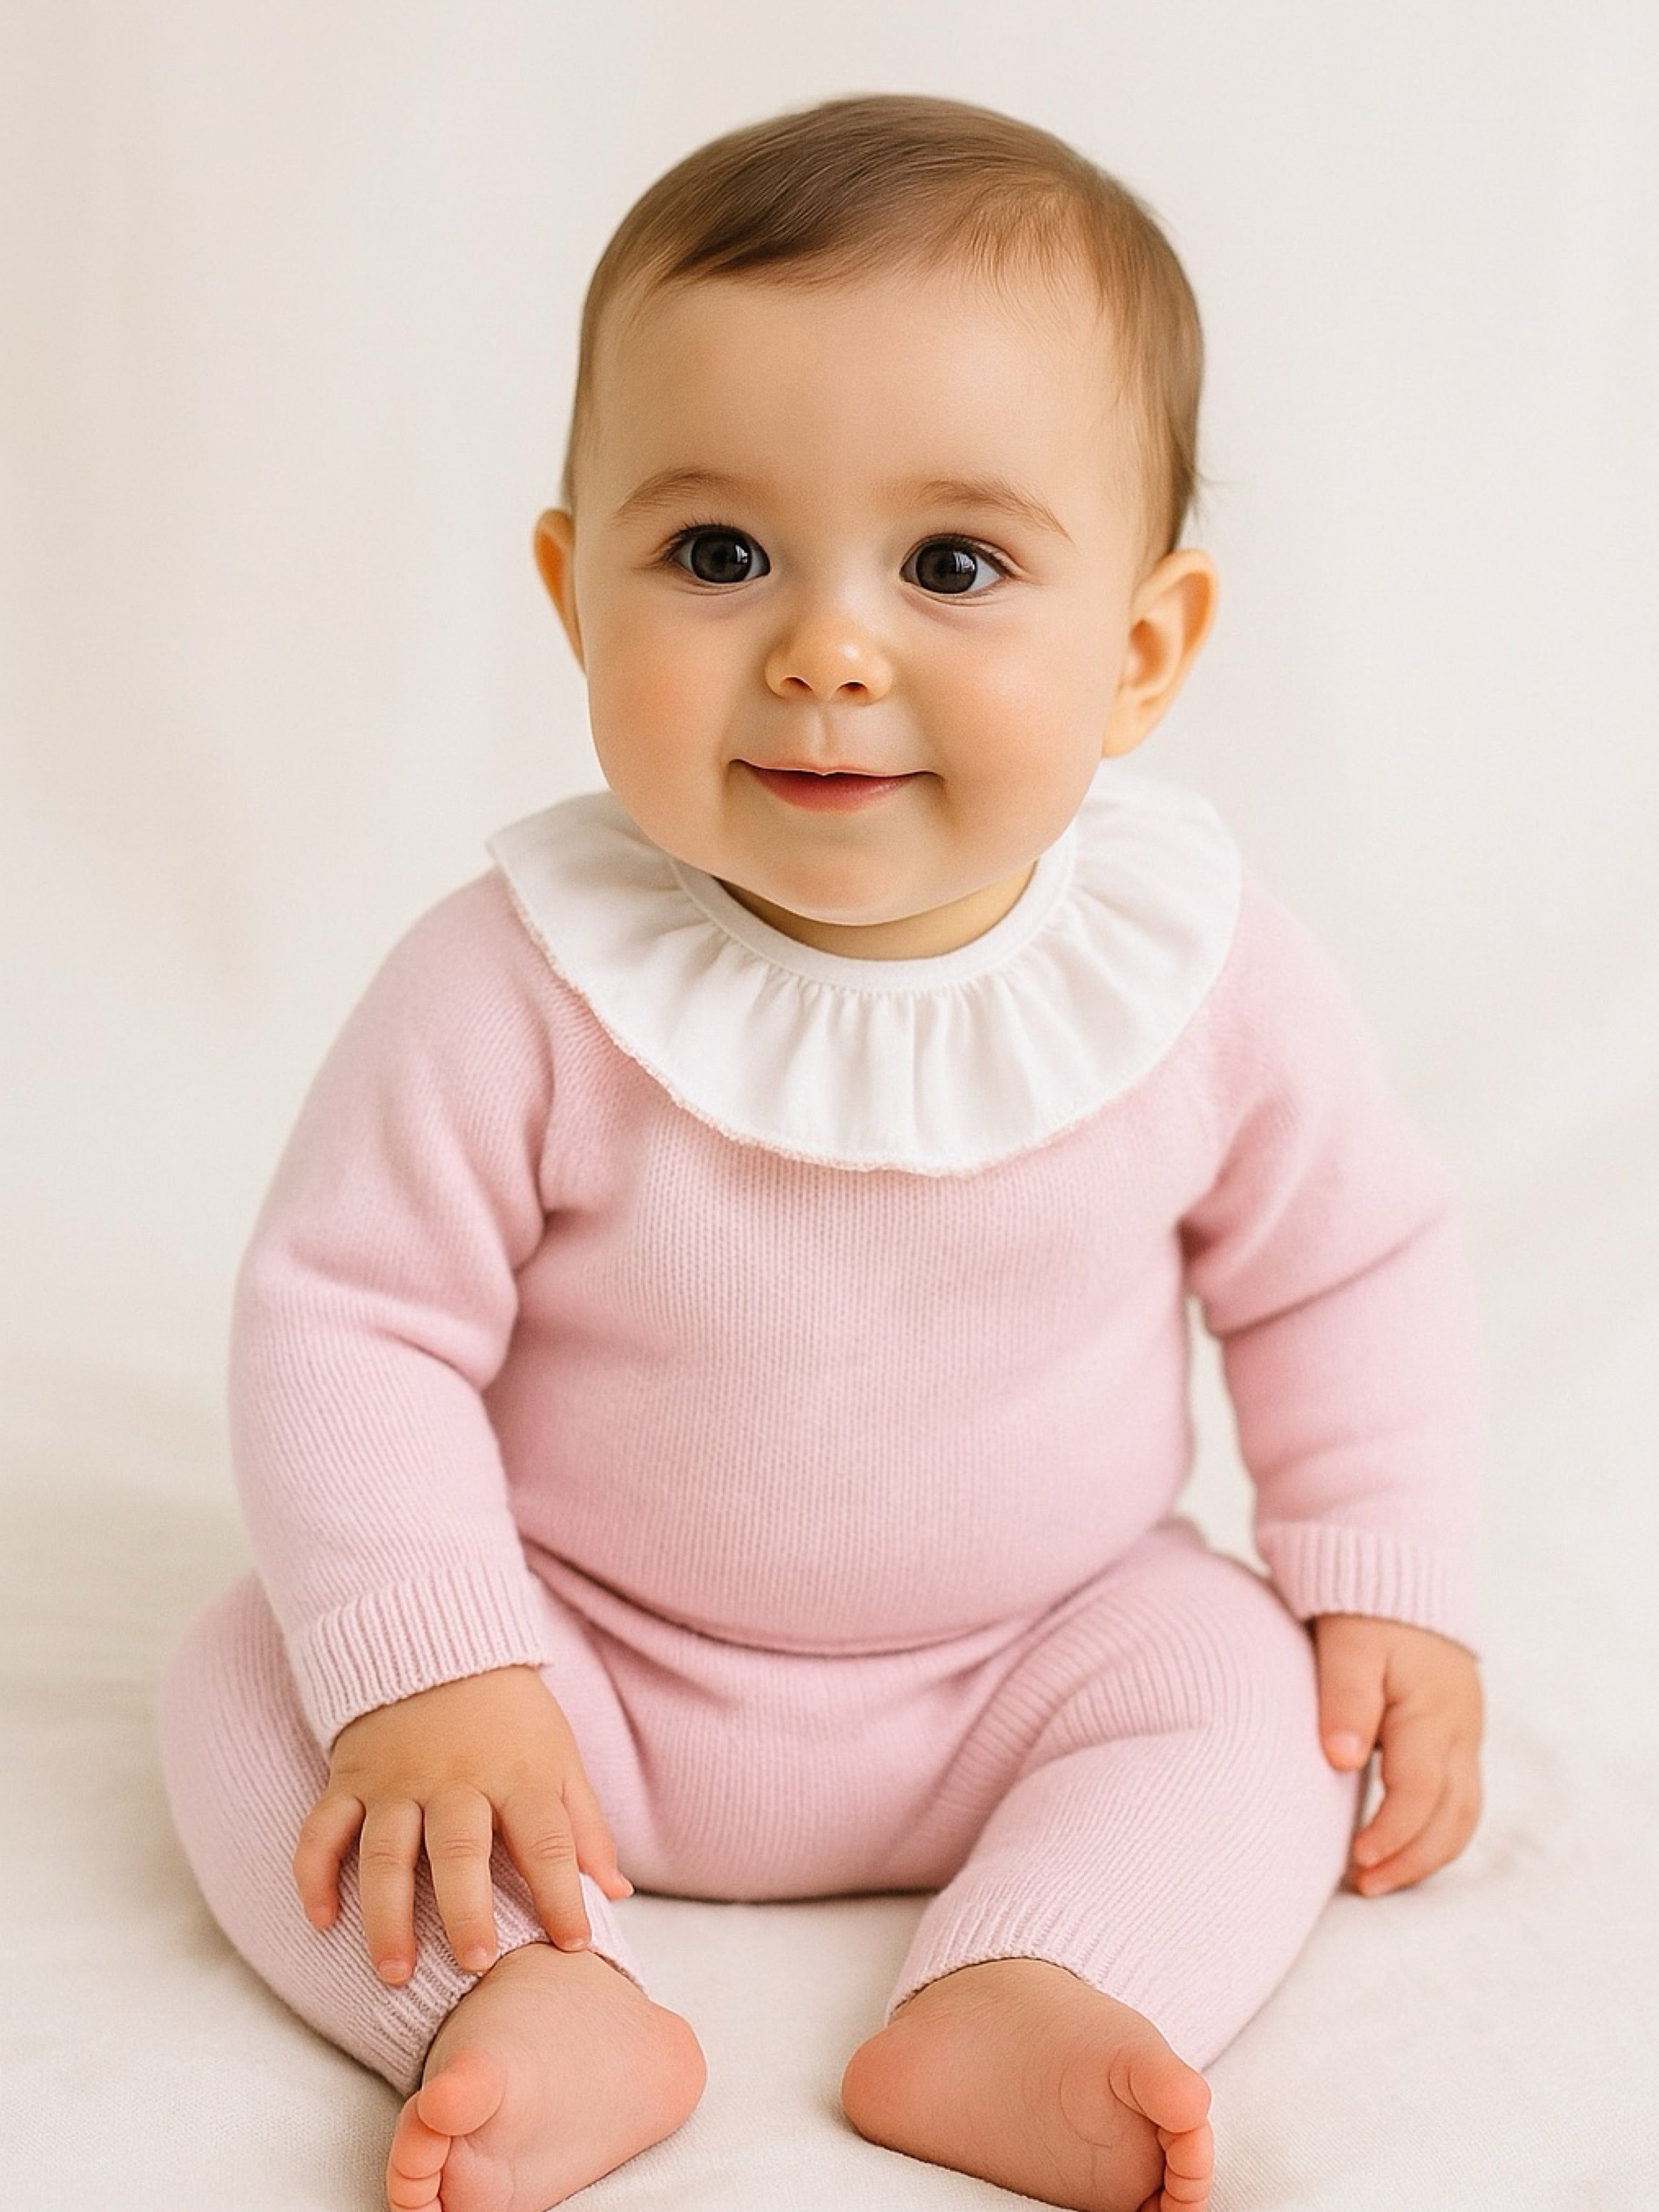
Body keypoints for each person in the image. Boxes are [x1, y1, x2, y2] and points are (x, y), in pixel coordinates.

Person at [159, 92, 1485, 2212]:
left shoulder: (1202, 974)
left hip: (1038, 1656)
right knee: (256, 1677)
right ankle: (527, 1993)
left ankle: (1041, 1977)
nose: (826, 649)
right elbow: (350, 1320)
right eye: (716, 555)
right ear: (572, 592)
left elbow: (1350, 1267)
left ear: (1141, 650)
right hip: (570, 1665)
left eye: (953, 565)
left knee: (1259, 1702)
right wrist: (441, 1662)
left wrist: (1382, 1585)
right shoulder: (510, 982)